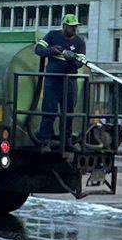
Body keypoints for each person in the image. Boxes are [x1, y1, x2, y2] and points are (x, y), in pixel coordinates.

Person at [34, 13, 86, 147]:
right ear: (64, 26)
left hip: (69, 81)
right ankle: (45, 138)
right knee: (49, 109)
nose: (74, 29)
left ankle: (66, 139)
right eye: (71, 27)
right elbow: (38, 49)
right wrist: (51, 50)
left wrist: (72, 58)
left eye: (75, 27)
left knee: (68, 112)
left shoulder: (79, 42)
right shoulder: (52, 35)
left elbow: (80, 63)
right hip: (53, 80)